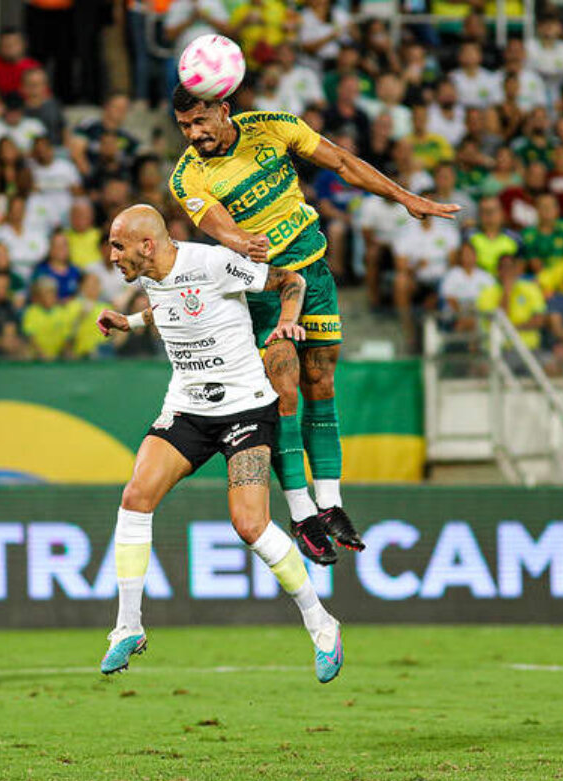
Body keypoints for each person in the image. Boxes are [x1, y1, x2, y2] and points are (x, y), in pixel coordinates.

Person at [168, 85, 458, 564]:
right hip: (263, 289)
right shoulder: (189, 176)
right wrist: (241, 241)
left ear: (223, 111)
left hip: (314, 271)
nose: (193, 135)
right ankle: (302, 514)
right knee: (284, 388)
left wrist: (405, 197)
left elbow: (342, 163)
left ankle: (331, 505)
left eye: (199, 123)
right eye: (184, 127)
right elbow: (216, 225)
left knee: (321, 383)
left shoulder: (273, 127)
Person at [93, 205, 344, 682]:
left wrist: (288, 323)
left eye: (118, 245)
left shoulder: (211, 262)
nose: (111, 255)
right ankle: (128, 626)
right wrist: (132, 324)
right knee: (135, 497)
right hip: (188, 407)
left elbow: (290, 281)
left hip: (246, 407)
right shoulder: (152, 276)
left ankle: (321, 622)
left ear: (147, 245)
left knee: (250, 525)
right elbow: (173, 305)